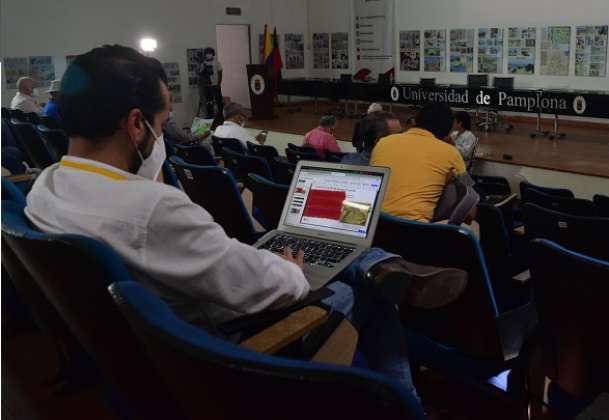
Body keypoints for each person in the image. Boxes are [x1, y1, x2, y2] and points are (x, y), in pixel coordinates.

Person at [23, 45, 466, 398]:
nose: (164, 136)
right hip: (216, 355)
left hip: (143, 348)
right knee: (363, 294)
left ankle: (377, 262)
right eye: (163, 123)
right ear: (136, 125)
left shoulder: (46, 186)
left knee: (305, 253)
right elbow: (263, 286)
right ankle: (401, 400)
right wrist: (291, 273)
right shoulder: (151, 208)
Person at [371, 103, 472, 223]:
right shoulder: (451, 153)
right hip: (415, 231)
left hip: (375, 226)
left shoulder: (382, 143)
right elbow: (471, 210)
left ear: (415, 121)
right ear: (447, 132)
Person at [199, 47, 223, 119]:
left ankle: (220, 116)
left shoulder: (217, 62)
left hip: (216, 85)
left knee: (218, 102)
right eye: (207, 53)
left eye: (210, 53)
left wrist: (219, 83)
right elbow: (201, 75)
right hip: (207, 86)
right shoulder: (203, 64)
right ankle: (211, 117)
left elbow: (220, 73)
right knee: (209, 102)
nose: (208, 55)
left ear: (212, 54)